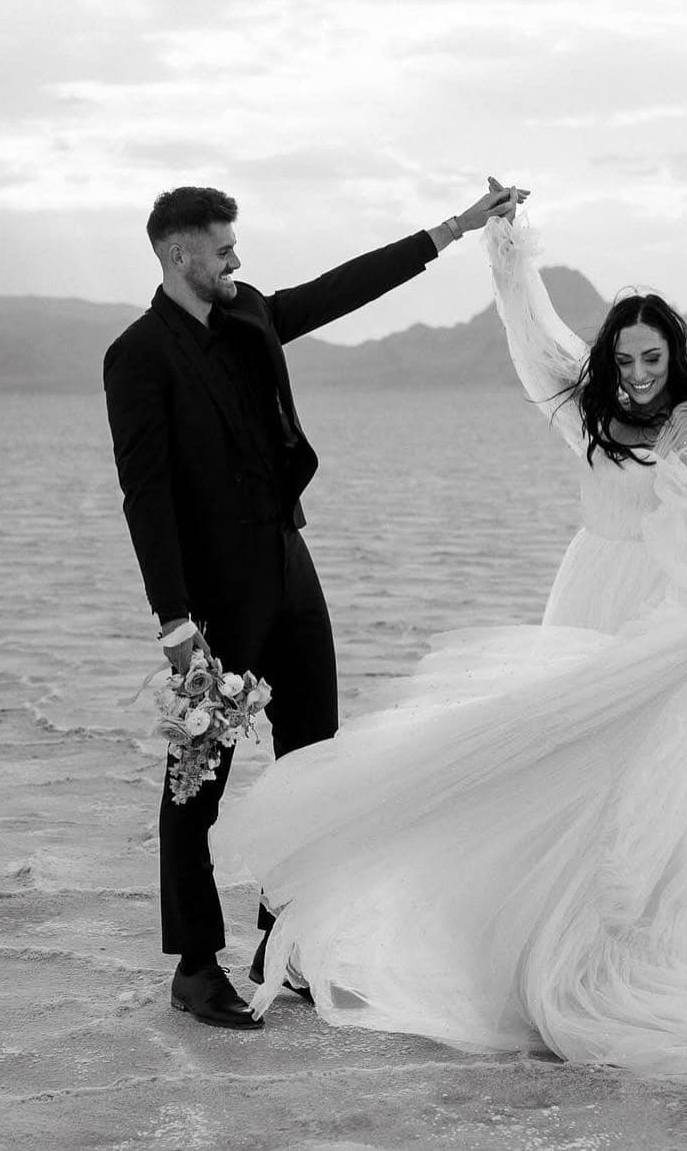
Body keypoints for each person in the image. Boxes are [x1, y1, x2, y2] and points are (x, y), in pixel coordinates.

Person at [214, 192, 687, 1076]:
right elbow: (538, 340)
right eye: (626, 359)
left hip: (656, 612)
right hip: (585, 594)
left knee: (649, 780)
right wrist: (508, 254)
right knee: (558, 767)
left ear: (675, 355)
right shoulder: (585, 410)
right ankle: (544, 952)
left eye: (653, 357)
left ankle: (621, 959)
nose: (640, 373)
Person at [104, 181, 525, 1029]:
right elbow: (143, 496)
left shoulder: (249, 315)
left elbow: (341, 288)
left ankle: (282, 946)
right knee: (198, 781)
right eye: (223, 250)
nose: (236, 261)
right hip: (212, 605)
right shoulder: (138, 355)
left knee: (314, 760)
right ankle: (194, 965)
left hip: (289, 570)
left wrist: (453, 228)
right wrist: (175, 621)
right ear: (180, 255)